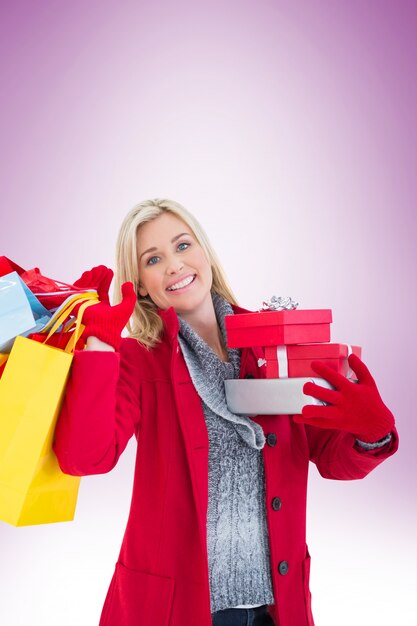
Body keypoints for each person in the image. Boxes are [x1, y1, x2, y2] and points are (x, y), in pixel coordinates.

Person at [53, 198, 399, 626]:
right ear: (140, 284)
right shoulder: (140, 360)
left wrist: (373, 434)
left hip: (275, 606)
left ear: (204, 251)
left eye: (183, 246)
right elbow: (85, 458)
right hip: (178, 608)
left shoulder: (272, 341)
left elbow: (329, 455)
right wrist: (100, 344)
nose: (175, 266)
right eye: (153, 259)